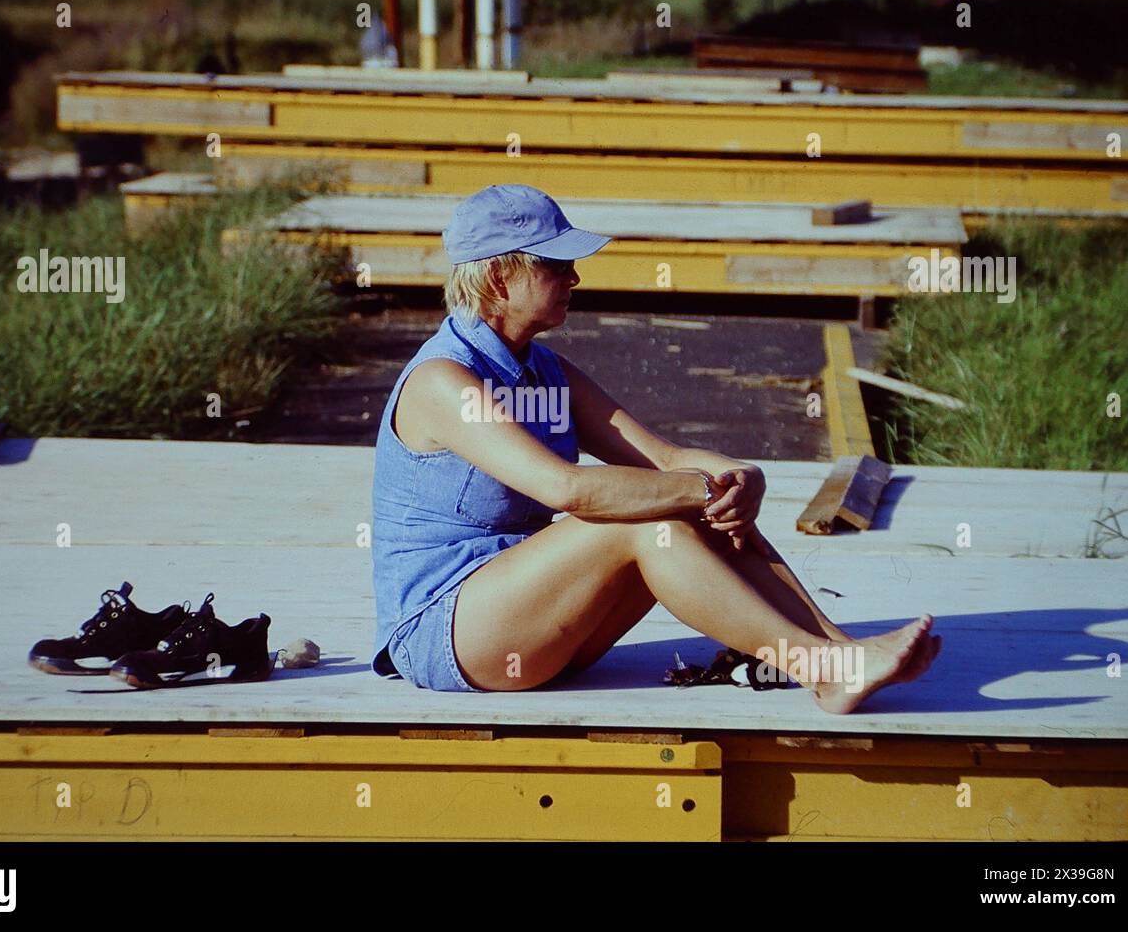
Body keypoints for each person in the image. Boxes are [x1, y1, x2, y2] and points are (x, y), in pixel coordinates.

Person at [369, 184, 941, 713]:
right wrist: (696, 491)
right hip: (447, 633)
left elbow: (663, 459)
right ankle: (822, 666)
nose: (575, 278)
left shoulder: (544, 370)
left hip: (534, 622)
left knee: (695, 504)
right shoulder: (443, 383)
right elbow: (567, 489)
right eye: (557, 264)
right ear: (498, 278)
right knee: (645, 516)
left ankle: (839, 650)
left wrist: (741, 478)